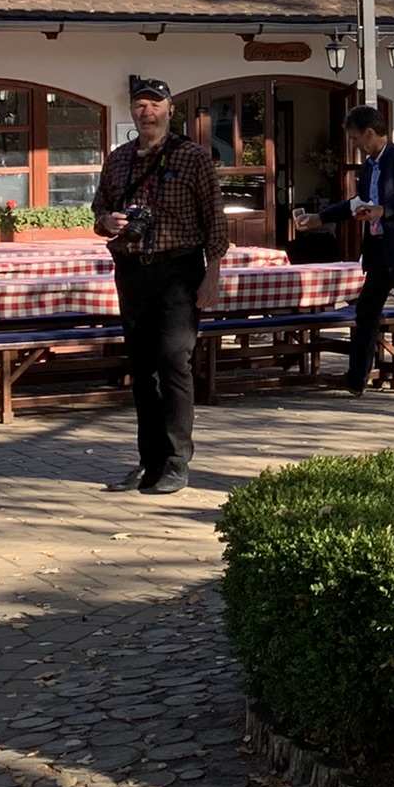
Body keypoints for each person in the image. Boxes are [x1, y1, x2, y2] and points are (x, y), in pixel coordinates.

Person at [93, 76, 227, 496]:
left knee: (173, 361)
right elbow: (98, 211)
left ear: (170, 109)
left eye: (154, 104)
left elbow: (215, 220)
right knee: (141, 368)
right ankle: (149, 461)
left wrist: (212, 275)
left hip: (178, 271)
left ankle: (175, 461)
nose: (146, 112)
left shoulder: (192, 157)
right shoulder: (118, 160)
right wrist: (108, 221)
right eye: (140, 105)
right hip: (132, 271)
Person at [295, 105, 394, 403]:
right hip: (379, 249)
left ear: (370, 133)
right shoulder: (369, 166)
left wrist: (386, 210)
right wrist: (321, 218)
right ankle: (356, 379)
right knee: (366, 312)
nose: (355, 144)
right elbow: (359, 202)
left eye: (356, 138)